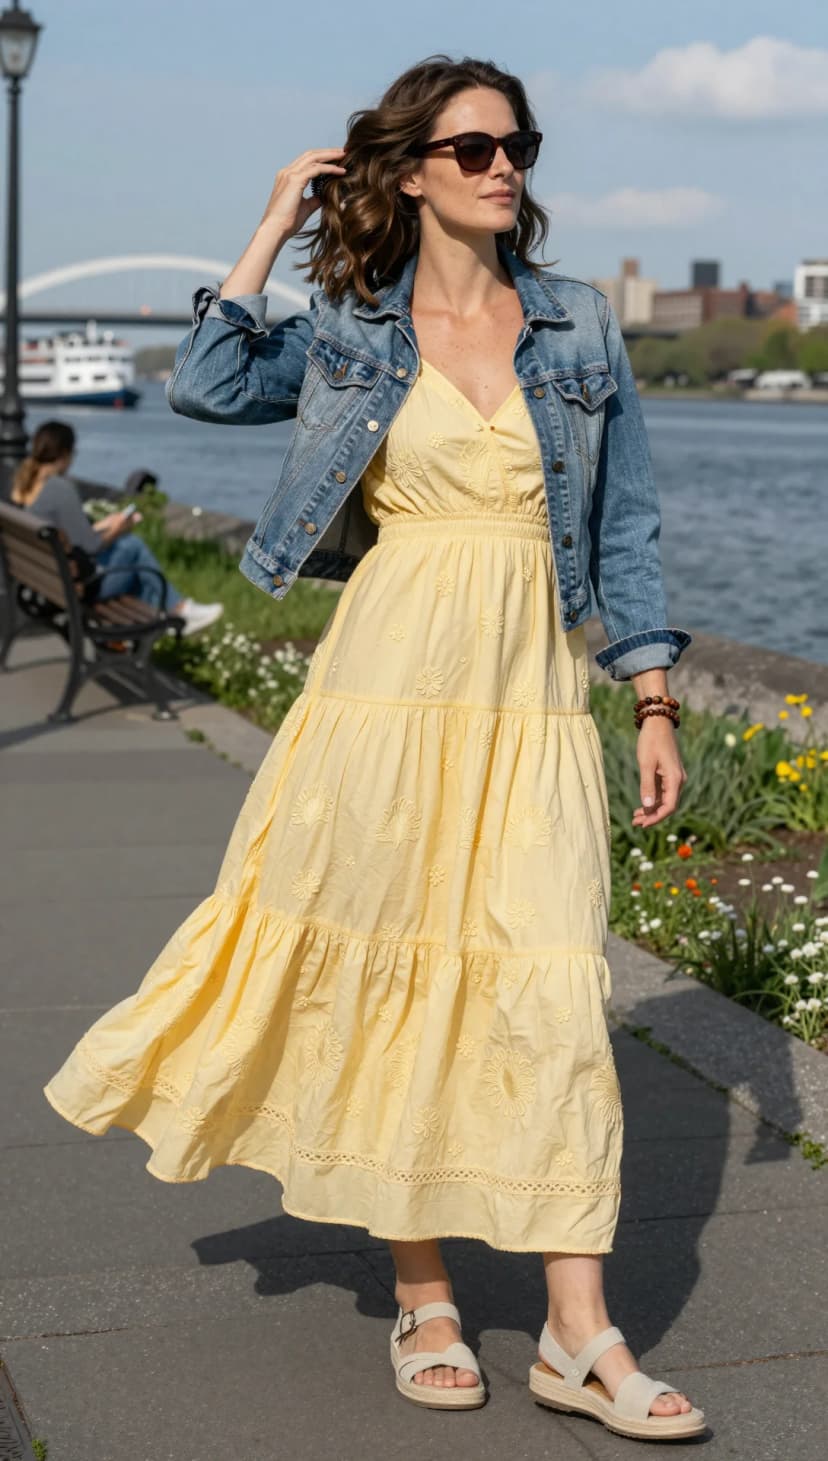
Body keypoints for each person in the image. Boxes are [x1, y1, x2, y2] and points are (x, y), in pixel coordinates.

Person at [42, 55, 704, 1440]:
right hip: (383, 693)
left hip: (525, 693)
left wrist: (650, 700)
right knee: (391, 964)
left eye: (517, 143)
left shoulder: (578, 325)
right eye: (471, 149)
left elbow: (627, 524)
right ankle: (427, 1291)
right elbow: (209, 386)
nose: (504, 165)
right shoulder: (351, 322)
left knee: (552, 982)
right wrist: (278, 219)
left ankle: (580, 1329)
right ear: (409, 173)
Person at [11, 420, 224, 636]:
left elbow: (70, 535)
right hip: (78, 589)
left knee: (128, 548)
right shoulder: (59, 488)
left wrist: (104, 525)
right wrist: (120, 528)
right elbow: (91, 546)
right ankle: (177, 612)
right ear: (65, 453)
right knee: (133, 546)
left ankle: (171, 614)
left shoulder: (25, 485)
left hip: (45, 582)